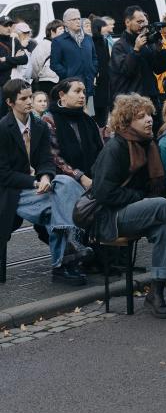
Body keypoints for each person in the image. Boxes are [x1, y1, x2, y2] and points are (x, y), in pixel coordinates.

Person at [90, 93, 166, 317]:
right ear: (126, 122)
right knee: (161, 205)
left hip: (134, 211)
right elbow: (102, 192)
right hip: (110, 217)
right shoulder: (115, 148)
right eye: (140, 117)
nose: (149, 120)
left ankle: (156, 292)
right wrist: (139, 198)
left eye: (149, 115)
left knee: (164, 228)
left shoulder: (148, 145)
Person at [0, 79, 87, 286]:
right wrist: (34, 182)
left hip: (38, 186)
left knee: (64, 182)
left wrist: (46, 177)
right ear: (10, 103)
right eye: (23, 99)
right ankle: (64, 261)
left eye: (30, 97)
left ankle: (64, 261)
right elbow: (3, 174)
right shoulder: (3, 128)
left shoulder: (39, 125)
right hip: (11, 190)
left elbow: (47, 160)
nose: (29, 102)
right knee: (55, 209)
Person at [108, 6, 166, 123]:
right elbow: (126, 71)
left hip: (150, 99)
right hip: (132, 101)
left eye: (144, 22)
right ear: (127, 22)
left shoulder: (146, 43)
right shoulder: (119, 46)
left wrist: (159, 50)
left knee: (155, 130)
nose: (142, 26)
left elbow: (159, 69)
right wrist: (136, 50)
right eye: (139, 22)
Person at [42, 78, 103, 189]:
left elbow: (101, 150)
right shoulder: (49, 120)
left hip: (95, 179)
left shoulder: (88, 120)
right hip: (64, 183)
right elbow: (53, 156)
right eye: (77, 91)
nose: (82, 96)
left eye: (83, 92)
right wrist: (80, 176)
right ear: (62, 95)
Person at [50, 8, 98, 101]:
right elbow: (54, 64)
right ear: (66, 23)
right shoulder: (58, 41)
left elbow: (94, 57)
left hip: (88, 84)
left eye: (79, 18)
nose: (78, 21)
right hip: (70, 87)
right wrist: (68, 76)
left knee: (89, 109)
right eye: (74, 19)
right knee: (73, 108)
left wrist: (93, 70)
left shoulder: (88, 38)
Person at [29, 19, 64, 95]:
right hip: (47, 82)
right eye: (60, 29)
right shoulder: (43, 45)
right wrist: (38, 76)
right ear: (52, 31)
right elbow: (34, 64)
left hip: (62, 81)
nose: (63, 31)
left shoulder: (63, 45)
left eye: (64, 29)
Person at [90, 17, 112, 128]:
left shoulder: (105, 41)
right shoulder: (90, 41)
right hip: (95, 79)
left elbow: (108, 59)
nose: (107, 28)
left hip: (105, 78)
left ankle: (102, 129)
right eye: (104, 26)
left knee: (104, 107)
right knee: (93, 109)